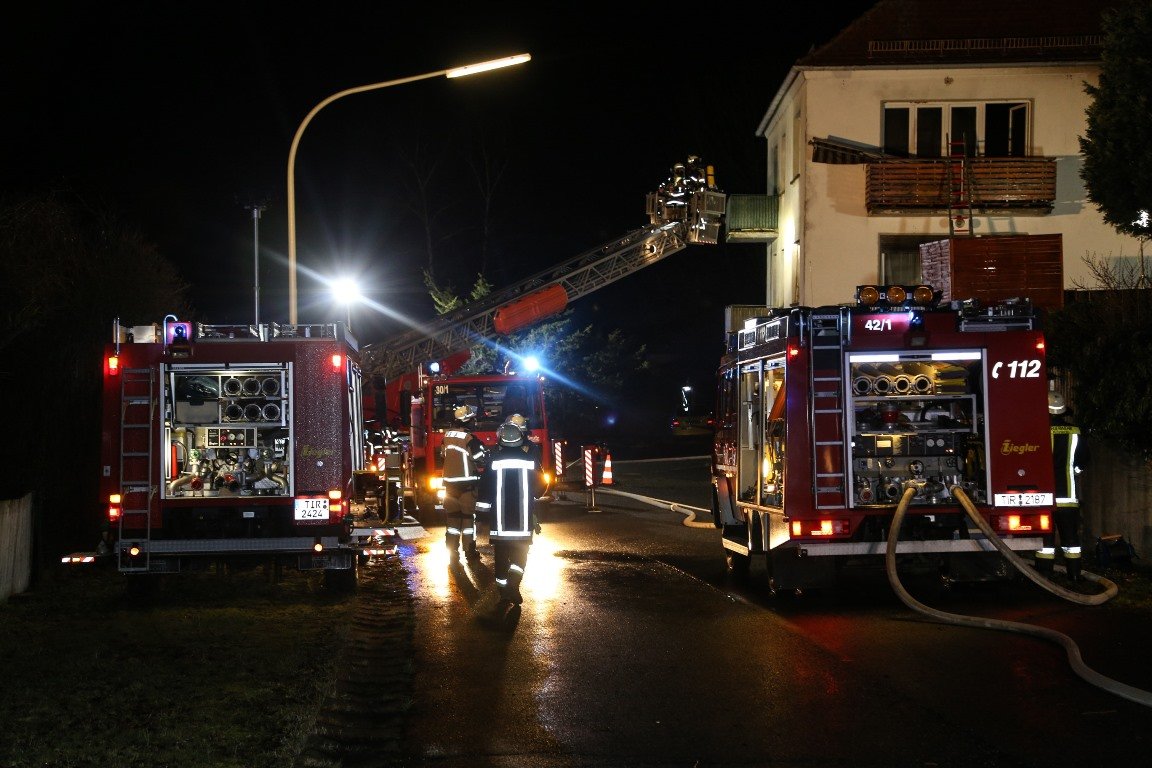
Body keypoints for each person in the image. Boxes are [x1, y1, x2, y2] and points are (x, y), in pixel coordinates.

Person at [475, 414, 548, 612]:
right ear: (520, 439)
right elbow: (541, 488)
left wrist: (481, 517)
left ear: (501, 440)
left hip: (499, 524)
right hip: (522, 523)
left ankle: (503, 591)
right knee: (520, 557)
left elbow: (484, 492)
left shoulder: (493, 462)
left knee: (501, 558)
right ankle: (513, 586)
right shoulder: (530, 460)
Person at [1035, 390, 1088, 580]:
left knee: (1046, 542)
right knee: (1071, 539)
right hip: (1068, 498)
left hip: (1044, 498)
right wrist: (1074, 471)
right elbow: (1083, 460)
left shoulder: (1038, 431)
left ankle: (1044, 577)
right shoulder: (1075, 432)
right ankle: (1074, 576)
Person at [441, 404, 487, 563]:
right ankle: (469, 551)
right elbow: (480, 458)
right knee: (468, 519)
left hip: (449, 486)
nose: (474, 422)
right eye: (472, 420)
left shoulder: (446, 437)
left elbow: (443, 455)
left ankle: (452, 552)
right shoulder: (469, 438)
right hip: (467, 486)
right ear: (467, 421)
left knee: (452, 520)